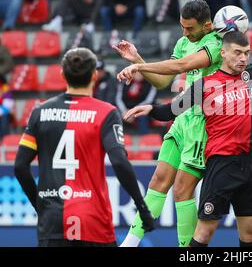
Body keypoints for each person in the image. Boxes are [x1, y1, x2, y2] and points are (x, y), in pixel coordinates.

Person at [122, 31, 252, 246]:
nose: (243, 58)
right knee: (203, 234)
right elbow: (171, 110)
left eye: (246, 53)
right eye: (237, 53)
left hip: (250, 164)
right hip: (221, 164)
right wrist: (150, 109)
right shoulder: (205, 85)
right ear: (223, 53)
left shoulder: (251, 74)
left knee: (250, 233)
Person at [14, 48, 154, 247]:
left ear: (62, 74)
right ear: (94, 75)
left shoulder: (40, 112)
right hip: (93, 219)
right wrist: (142, 208)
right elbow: (120, 162)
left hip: (53, 221)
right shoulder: (106, 112)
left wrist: (41, 207)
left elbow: (20, 166)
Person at [114, 0, 223, 247]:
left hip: (203, 124)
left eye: (190, 28)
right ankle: (128, 245)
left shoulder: (216, 44)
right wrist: (136, 60)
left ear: (207, 25)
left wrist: (139, 66)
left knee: (182, 191)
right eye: (182, 27)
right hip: (182, 119)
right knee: (158, 181)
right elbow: (164, 82)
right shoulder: (184, 42)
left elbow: (182, 65)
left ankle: (188, 251)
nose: (184, 33)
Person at [0, 75, 13, 140]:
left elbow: (6, 108)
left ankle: (4, 140)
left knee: (4, 117)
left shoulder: (6, 90)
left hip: (4, 115)